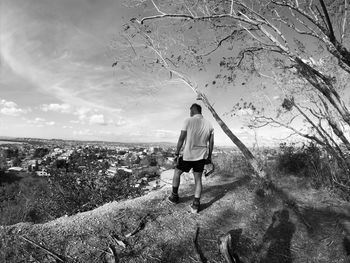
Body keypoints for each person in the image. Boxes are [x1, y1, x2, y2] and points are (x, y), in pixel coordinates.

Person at [168, 103, 214, 213]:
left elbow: (181, 138)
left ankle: (174, 197)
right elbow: (211, 142)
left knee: (177, 173)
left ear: (192, 111)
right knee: (198, 180)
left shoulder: (188, 120)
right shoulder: (209, 124)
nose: (190, 113)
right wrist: (209, 156)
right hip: (201, 156)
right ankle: (196, 205)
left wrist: (177, 153)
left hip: (188, 155)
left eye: (190, 111)